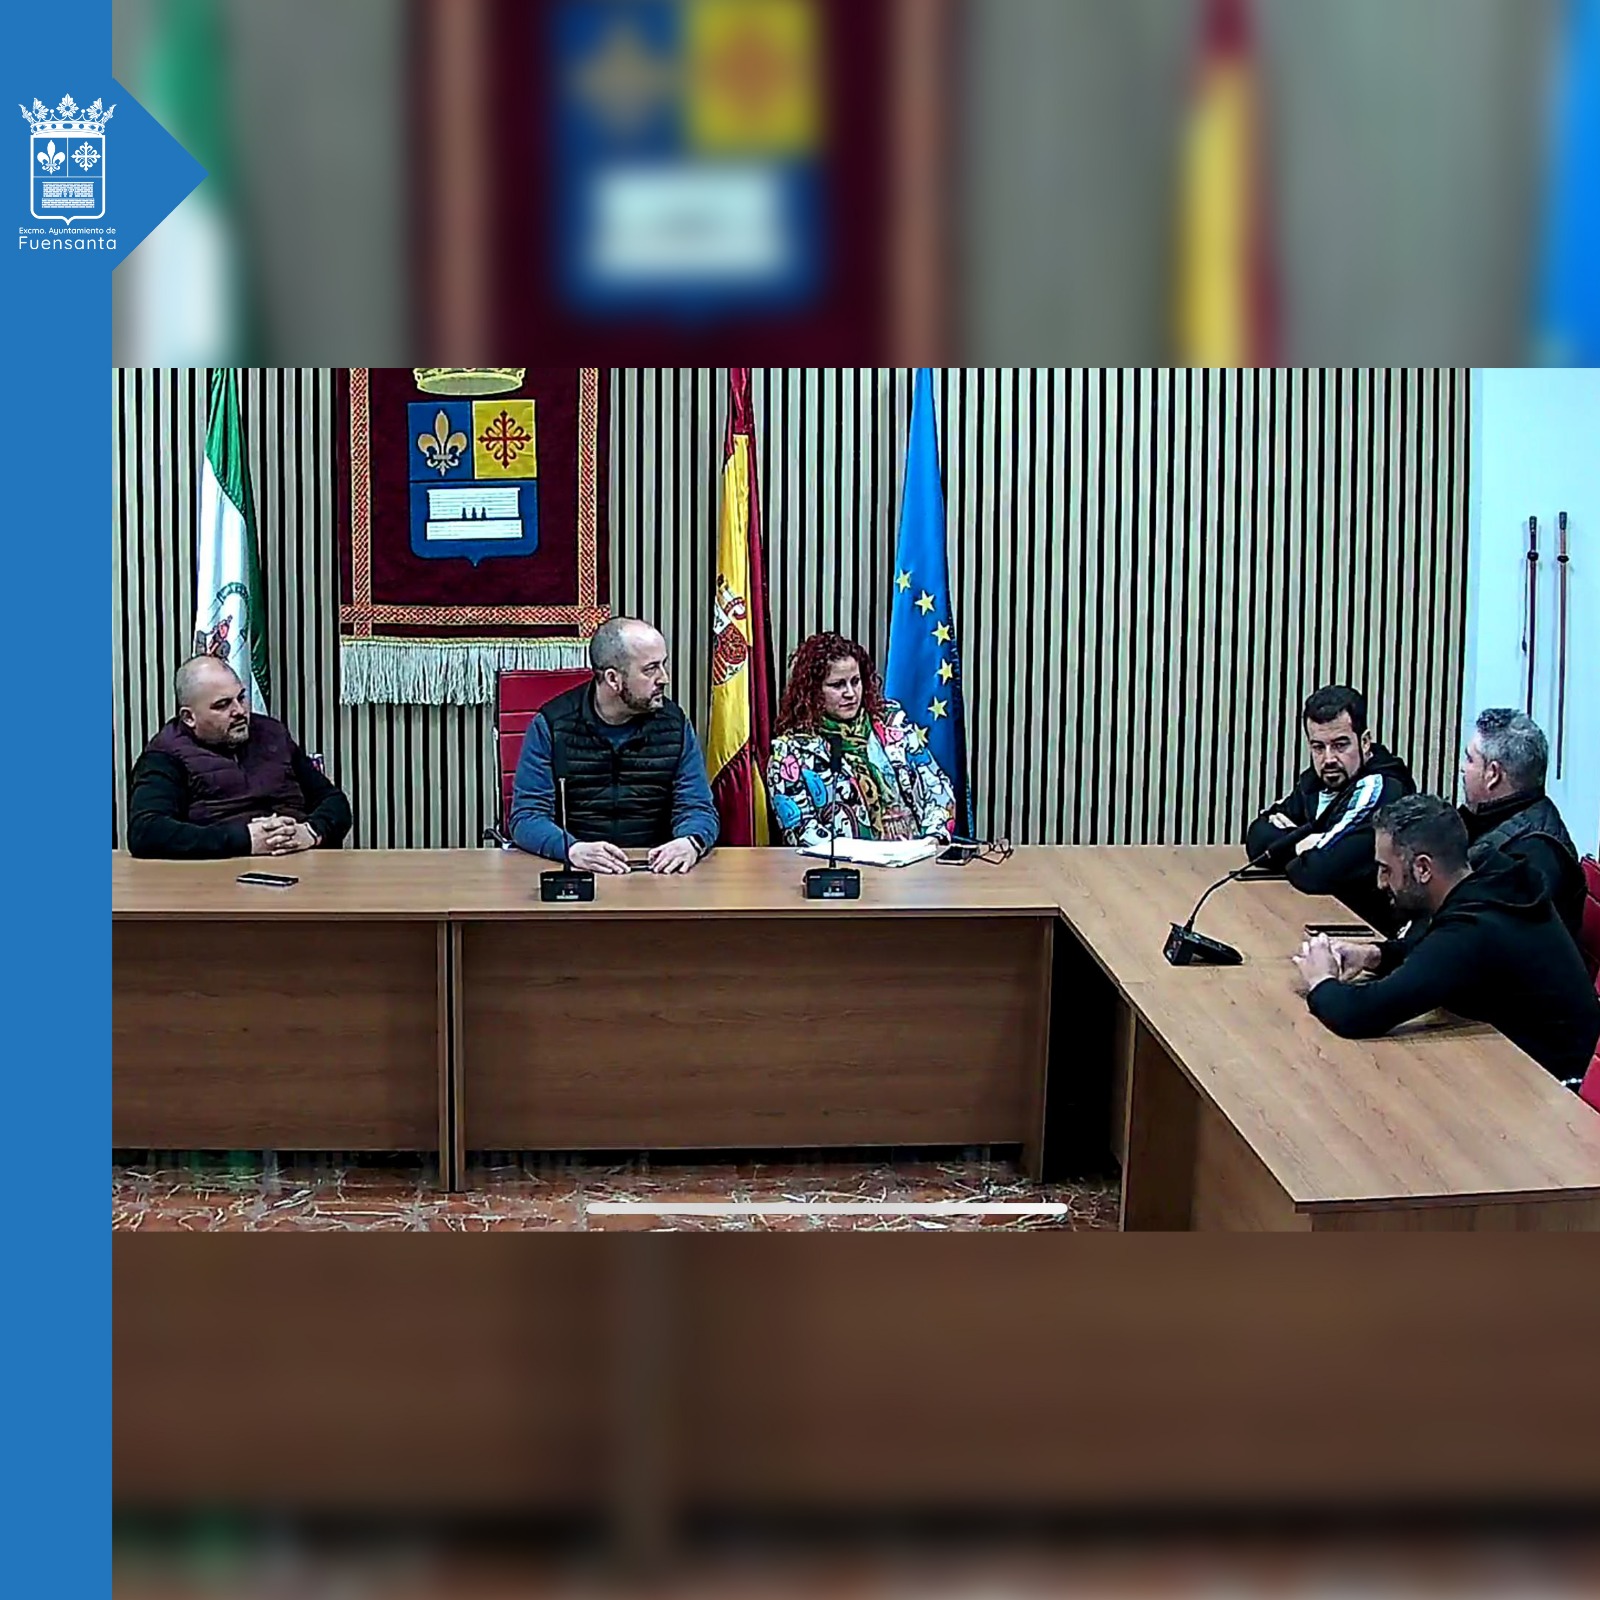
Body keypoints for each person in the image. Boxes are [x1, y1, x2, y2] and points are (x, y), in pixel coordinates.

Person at [1293, 795, 1600, 1088]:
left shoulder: (1474, 928)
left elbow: (1360, 1014)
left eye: (1386, 870)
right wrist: (1374, 955)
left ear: (1423, 869)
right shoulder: (1492, 876)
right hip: (1525, 1067)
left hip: (1555, 1091)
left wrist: (1321, 980)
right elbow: (1434, 948)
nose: (1380, 882)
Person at [509, 617, 719, 874]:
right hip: (578, 870)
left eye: (663, 665)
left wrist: (690, 842)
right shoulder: (552, 725)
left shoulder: (674, 724)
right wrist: (571, 849)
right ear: (613, 679)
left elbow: (698, 808)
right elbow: (526, 817)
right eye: (650, 669)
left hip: (656, 871)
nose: (664, 678)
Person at [127, 655, 351, 859]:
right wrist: (246, 840)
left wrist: (310, 832)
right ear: (189, 718)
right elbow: (146, 832)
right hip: (222, 874)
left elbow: (334, 801)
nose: (240, 711)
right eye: (222, 705)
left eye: (241, 698)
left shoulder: (272, 733)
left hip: (303, 863)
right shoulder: (166, 754)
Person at [1244, 684, 1415, 933]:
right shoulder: (1315, 782)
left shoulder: (1379, 789)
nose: (1329, 759)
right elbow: (1257, 839)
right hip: (1314, 915)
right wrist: (1302, 845)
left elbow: (1319, 873)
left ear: (1365, 742)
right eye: (1318, 747)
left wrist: (1292, 844)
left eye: (1340, 745)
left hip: (1368, 932)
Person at [766, 631, 956, 847]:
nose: (850, 693)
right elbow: (801, 830)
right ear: (813, 691)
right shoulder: (789, 753)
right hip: (845, 864)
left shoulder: (892, 723)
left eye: (855, 681)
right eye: (837, 685)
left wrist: (932, 839)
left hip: (916, 857)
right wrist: (867, 855)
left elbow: (938, 788)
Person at [1460, 708, 1584, 939]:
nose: (1462, 768)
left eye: (1469, 759)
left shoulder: (1535, 855)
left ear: (1493, 774)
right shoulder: (1487, 820)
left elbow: (1488, 941)